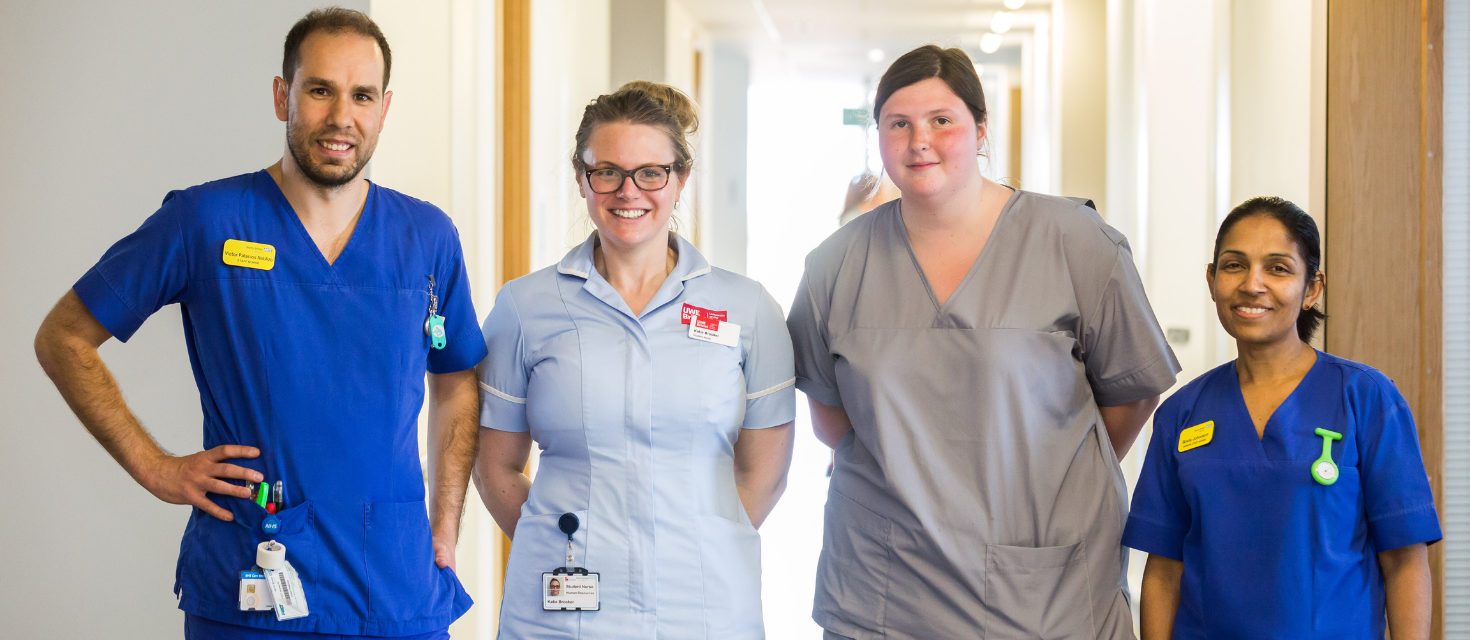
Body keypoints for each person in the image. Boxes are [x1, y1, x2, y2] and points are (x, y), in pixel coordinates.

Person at [32, 9, 484, 639]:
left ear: (384, 108)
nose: (340, 117)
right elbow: (63, 337)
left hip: (395, 588)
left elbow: (458, 377)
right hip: (251, 584)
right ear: (283, 96)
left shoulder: (427, 237)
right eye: (319, 89)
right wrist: (155, 466)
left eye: (361, 95)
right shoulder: (206, 221)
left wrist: (446, 520)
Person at [788, 44, 1179, 639]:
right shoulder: (834, 266)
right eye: (899, 124)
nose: (920, 141)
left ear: (980, 129)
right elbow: (831, 418)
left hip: (1043, 585)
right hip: (886, 586)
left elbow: (1128, 397)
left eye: (941, 120)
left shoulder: (1075, 242)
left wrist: (1039, 474)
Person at [474, 81, 796, 639]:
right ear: (582, 177)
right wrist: (558, 536)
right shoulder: (524, 308)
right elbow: (494, 465)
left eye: (651, 172)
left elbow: (763, 473)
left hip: (704, 602)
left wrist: (700, 540)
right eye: (608, 172)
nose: (630, 191)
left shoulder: (747, 308)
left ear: (681, 179)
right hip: (563, 607)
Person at [1124, 197, 1440, 640]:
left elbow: (1404, 559)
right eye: (1234, 266)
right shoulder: (1182, 413)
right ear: (1212, 281)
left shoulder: (1366, 399)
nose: (1252, 284)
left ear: (1312, 288)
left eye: (1277, 268)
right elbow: (1164, 570)